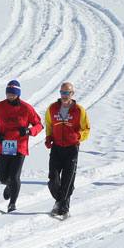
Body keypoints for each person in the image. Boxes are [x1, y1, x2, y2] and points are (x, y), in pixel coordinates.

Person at [0, 80, 42, 212]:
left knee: (14, 176)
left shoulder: (26, 108)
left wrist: (29, 131)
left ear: (18, 94)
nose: (10, 96)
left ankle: (12, 204)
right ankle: (9, 186)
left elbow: (39, 125)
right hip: (4, 145)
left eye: (13, 94)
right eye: (8, 93)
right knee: (3, 178)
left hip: (20, 146)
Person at [44, 81, 90, 217]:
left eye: (67, 93)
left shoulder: (79, 110)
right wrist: (48, 137)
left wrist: (78, 136)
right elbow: (49, 124)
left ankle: (63, 208)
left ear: (72, 93)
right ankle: (59, 200)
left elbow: (86, 129)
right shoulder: (52, 108)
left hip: (72, 149)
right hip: (57, 148)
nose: (64, 95)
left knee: (67, 180)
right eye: (62, 92)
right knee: (53, 180)